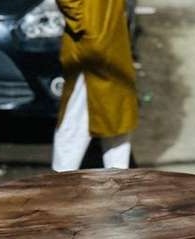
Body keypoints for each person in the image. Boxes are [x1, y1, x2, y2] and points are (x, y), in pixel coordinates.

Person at [52, 0, 139, 171]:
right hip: (92, 41)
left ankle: (119, 178)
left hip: (109, 36)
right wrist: (85, 23)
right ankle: (61, 179)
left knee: (117, 118)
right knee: (78, 117)